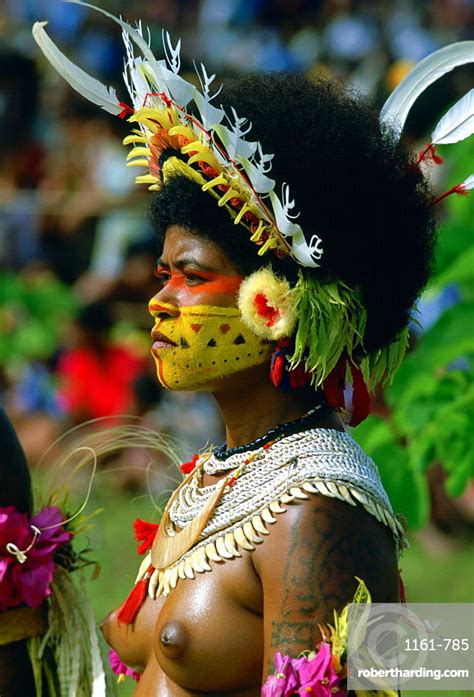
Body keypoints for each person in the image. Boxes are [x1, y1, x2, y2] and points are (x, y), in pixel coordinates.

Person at [32, 9, 473, 695]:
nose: (161, 300)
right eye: (163, 275)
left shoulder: (315, 510)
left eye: (194, 275)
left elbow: (407, 664)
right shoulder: (224, 477)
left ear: (279, 301)